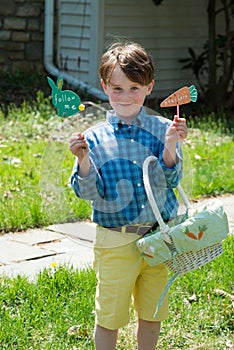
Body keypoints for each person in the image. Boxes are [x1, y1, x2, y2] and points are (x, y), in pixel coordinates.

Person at [69, 41, 187, 350]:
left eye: (134, 87)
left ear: (149, 87)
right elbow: (90, 193)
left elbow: (172, 179)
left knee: (152, 313)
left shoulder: (164, 129)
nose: (125, 96)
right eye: (117, 88)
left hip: (159, 239)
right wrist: (83, 160)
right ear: (105, 87)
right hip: (116, 241)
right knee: (110, 315)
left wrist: (171, 145)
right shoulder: (93, 139)